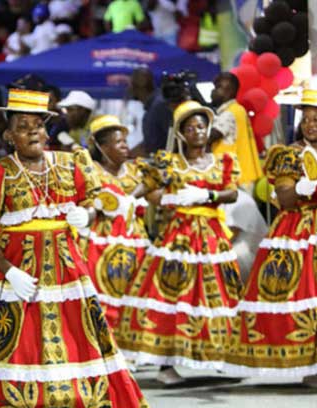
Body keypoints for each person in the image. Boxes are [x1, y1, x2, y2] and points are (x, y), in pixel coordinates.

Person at [0, 89, 161, 408]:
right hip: (13, 275)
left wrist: (86, 213)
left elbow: (95, 201)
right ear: (9, 135)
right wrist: (10, 271)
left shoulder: (71, 163)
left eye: (39, 125)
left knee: (77, 344)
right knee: (14, 351)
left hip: (66, 273)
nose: (34, 132)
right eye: (23, 126)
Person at [115, 100, 242, 385]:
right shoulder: (169, 162)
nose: (197, 131)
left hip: (211, 236)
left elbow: (231, 193)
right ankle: (165, 365)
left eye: (201, 126)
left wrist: (206, 197)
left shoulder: (223, 162)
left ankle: (221, 357)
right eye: (190, 127)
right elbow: (148, 186)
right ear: (181, 133)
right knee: (173, 295)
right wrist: (135, 198)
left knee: (218, 295)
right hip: (178, 234)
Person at [228, 89, 317, 386]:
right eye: (306, 119)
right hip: (299, 231)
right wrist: (305, 188)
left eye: (316, 119)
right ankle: (309, 366)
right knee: (302, 295)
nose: (311, 124)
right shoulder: (288, 154)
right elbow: (286, 198)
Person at [79, 115, 150, 329]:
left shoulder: (135, 170)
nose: (125, 147)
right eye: (118, 142)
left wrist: (132, 198)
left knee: (135, 287)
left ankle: (128, 336)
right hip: (100, 240)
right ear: (102, 147)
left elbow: (152, 184)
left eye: (125, 142)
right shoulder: (91, 171)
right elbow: (85, 203)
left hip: (134, 237)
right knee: (99, 287)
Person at [210, 71, 267, 281]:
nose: (214, 91)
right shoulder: (237, 110)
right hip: (237, 177)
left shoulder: (229, 113)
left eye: (218, 87)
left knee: (232, 231)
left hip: (232, 178)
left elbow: (207, 139)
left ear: (229, 91)